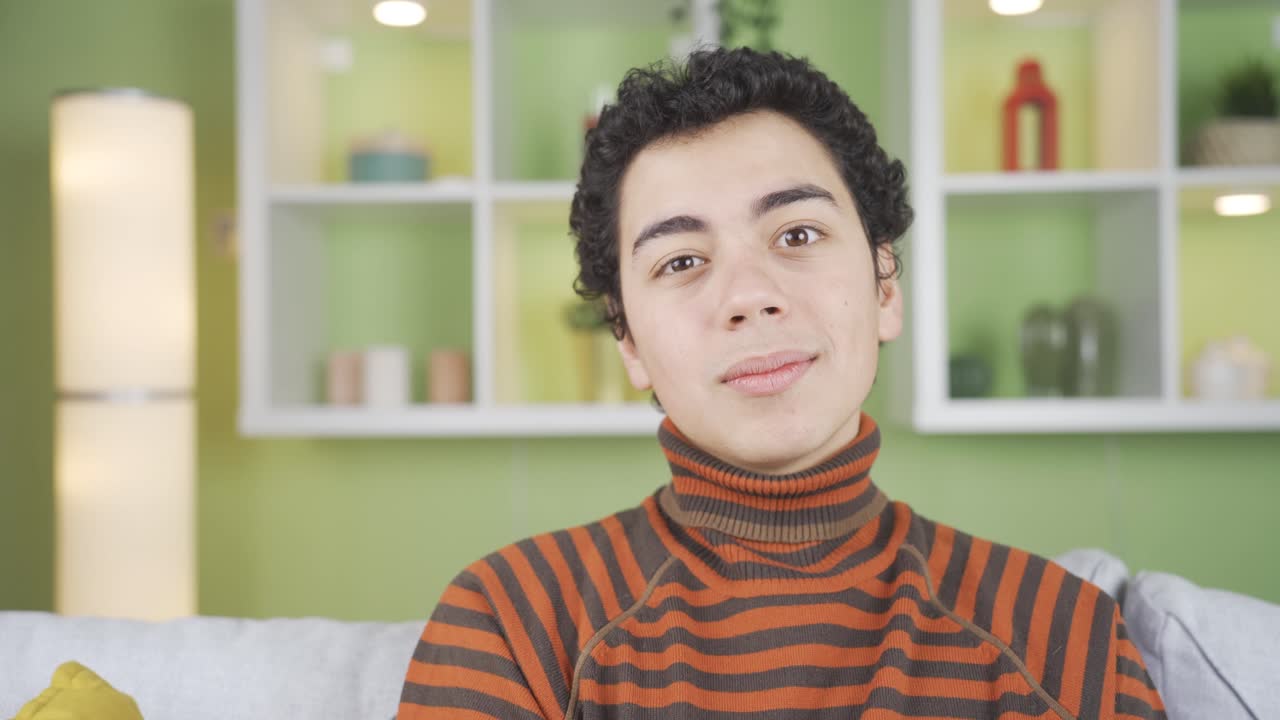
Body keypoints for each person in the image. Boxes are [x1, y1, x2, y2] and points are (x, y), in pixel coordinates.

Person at [398, 46, 1167, 720]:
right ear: (627, 340)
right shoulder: (512, 625)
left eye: (797, 234)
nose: (748, 295)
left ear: (885, 285)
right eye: (681, 261)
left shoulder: (1060, 633)